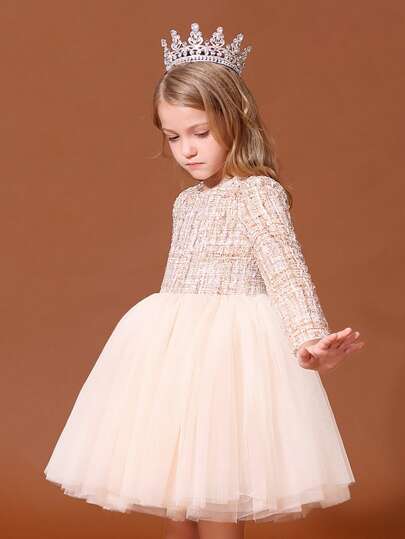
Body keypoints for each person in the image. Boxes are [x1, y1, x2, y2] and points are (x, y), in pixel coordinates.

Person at [43, 22, 364, 539]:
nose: (186, 150)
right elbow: (180, 275)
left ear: (235, 120)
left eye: (201, 133)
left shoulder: (257, 192)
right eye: (173, 137)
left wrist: (310, 339)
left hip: (228, 361)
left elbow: (286, 270)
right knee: (178, 498)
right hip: (175, 358)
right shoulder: (186, 202)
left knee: (217, 493)